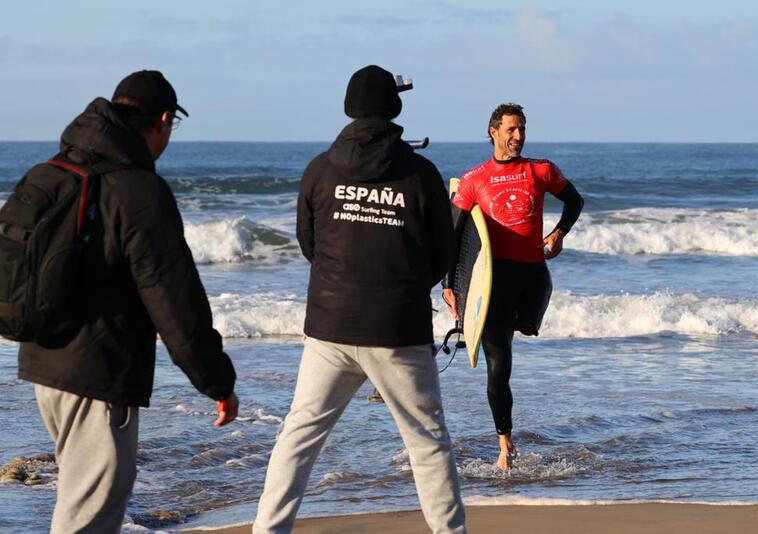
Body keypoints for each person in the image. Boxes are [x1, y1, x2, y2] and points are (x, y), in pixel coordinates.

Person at [17, 70, 239, 533]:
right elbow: (174, 300)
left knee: (81, 499)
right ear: (164, 120)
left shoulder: (54, 170)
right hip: (98, 373)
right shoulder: (138, 190)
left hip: (41, 360)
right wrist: (216, 380)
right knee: (89, 516)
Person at [253, 65, 466, 534]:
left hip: (329, 328)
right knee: (427, 441)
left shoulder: (320, 169)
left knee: (299, 436)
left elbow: (309, 244)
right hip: (398, 332)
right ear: (395, 108)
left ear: (349, 108)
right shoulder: (421, 174)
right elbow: (442, 253)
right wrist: (404, 289)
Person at [443, 103, 583, 471]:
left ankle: (512, 330)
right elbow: (453, 236)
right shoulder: (474, 180)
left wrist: (559, 233)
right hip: (494, 281)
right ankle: (505, 444)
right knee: (499, 363)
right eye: (511, 129)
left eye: (522, 129)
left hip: (534, 277)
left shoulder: (541, 170)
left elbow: (574, 200)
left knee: (525, 330)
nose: (518, 136)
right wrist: (450, 285)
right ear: (493, 132)